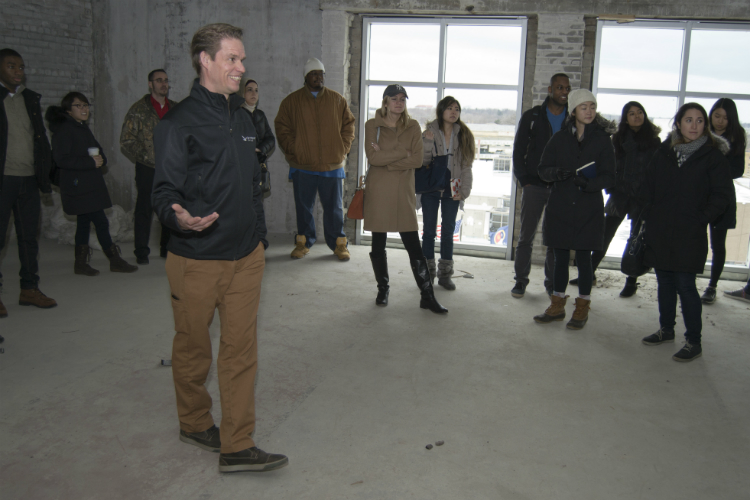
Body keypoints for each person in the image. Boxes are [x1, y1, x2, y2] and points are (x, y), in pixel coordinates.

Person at [152, 23, 287, 472]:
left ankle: (237, 444)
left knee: (240, 350)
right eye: (231, 58)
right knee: (193, 349)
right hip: (196, 259)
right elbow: (162, 191)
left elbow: (253, 186)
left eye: (242, 58)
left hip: (246, 256)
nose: (241, 67)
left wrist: (260, 238)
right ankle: (193, 422)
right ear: (205, 61)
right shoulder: (178, 122)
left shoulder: (245, 118)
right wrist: (178, 217)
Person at [640, 103, 733, 362]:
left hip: (689, 233)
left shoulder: (713, 156)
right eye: (688, 120)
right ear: (678, 123)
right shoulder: (664, 152)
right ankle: (666, 329)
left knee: (685, 286)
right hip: (661, 229)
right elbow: (647, 186)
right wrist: (648, 213)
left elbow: (722, 195)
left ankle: (694, 341)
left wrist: (701, 218)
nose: (694, 125)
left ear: (706, 125)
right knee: (665, 283)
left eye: (700, 120)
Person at [533, 89, 616, 330]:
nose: (589, 111)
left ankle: (582, 307)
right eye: (584, 107)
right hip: (561, 205)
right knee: (559, 257)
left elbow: (610, 177)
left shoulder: (602, 140)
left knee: (583, 259)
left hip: (588, 207)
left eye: (592, 106)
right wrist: (555, 174)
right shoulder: (559, 139)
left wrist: (590, 184)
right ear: (573, 111)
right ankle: (557, 305)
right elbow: (542, 169)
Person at [364, 84, 447, 314]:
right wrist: (402, 153)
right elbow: (372, 157)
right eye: (394, 98)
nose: (399, 102)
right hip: (379, 191)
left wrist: (387, 159)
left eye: (402, 99)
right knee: (378, 242)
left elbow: (418, 160)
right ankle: (383, 289)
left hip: (403, 191)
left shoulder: (412, 126)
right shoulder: (372, 125)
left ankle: (427, 296)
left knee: (413, 245)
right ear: (385, 101)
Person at [571, 102, 661, 297]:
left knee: (635, 240)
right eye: (631, 113)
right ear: (625, 118)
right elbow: (609, 164)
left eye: (640, 113)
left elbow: (657, 172)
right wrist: (611, 186)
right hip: (620, 194)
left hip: (642, 198)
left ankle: (631, 280)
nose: (636, 116)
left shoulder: (654, 141)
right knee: (603, 236)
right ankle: (589, 273)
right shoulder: (618, 139)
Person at [46, 93, 138, 275]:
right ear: (68, 111)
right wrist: (90, 162)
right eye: (78, 106)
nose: (84, 109)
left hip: (88, 184)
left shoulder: (80, 127)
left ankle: (80, 264)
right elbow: (61, 159)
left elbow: (97, 152)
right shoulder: (64, 130)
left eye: (86, 105)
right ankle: (114, 260)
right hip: (79, 185)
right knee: (101, 222)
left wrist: (100, 159)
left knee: (83, 223)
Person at [274, 57, 355, 261]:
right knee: (303, 207)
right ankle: (303, 242)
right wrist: (295, 150)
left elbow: (349, 126)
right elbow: (282, 128)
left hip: (332, 165)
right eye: (314, 74)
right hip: (303, 165)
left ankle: (339, 244)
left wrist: (342, 148)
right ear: (306, 77)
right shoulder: (291, 102)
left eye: (321, 74)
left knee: (335, 208)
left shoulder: (337, 100)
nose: (318, 77)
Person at [0, 48, 57, 318]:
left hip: (28, 179)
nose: (18, 71)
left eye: (21, 67)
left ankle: (29, 288)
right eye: (12, 66)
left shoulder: (30, 99)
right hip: (4, 179)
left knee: (28, 238)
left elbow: (40, 139)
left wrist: (45, 174)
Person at [511, 73, 570, 298]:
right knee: (526, 236)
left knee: (554, 239)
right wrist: (524, 180)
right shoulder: (533, 116)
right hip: (534, 186)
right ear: (550, 90)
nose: (563, 92)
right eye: (559, 88)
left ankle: (552, 283)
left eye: (567, 88)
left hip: (561, 188)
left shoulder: (572, 119)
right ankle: (520, 281)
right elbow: (518, 150)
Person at [120, 69, 178, 264]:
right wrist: (148, 155)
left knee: (170, 208)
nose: (164, 84)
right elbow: (126, 140)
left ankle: (166, 249)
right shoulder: (139, 110)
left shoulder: (176, 109)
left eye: (166, 81)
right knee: (144, 209)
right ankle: (141, 252)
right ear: (150, 84)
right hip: (148, 168)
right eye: (159, 80)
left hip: (171, 168)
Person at [420, 96, 474, 290]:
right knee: (428, 231)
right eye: (450, 108)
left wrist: (464, 191)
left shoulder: (464, 135)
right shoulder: (429, 132)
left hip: (454, 187)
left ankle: (445, 275)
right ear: (441, 110)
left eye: (457, 109)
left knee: (448, 231)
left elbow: (467, 166)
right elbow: (422, 162)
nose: (454, 112)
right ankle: (427, 274)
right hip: (432, 186)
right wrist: (427, 143)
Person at [701, 98, 747, 304]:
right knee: (695, 240)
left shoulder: (737, 137)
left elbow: (738, 170)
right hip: (699, 194)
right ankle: (686, 279)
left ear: (732, 120)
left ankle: (712, 286)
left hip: (723, 196)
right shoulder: (701, 133)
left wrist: (715, 167)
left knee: (718, 244)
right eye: (716, 115)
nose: (720, 121)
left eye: (725, 118)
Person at [240, 78, 275, 196]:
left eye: (256, 90)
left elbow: (271, 139)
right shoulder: (236, 114)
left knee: (257, 203)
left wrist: (259, 149)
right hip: (241, 165)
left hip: (258, 165)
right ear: (243, 93)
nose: (253, 93)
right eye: (249, 90)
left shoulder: (261, 115)